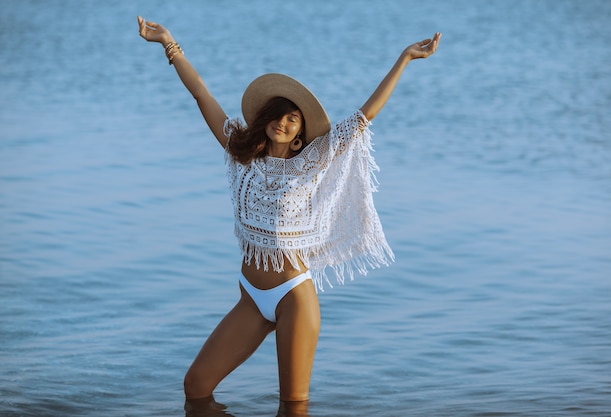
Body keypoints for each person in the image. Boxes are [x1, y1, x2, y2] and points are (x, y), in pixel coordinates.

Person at [137, 15, 440, 413]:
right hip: (251, 299)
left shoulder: (310, 163)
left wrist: (403, 58)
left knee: (292, 407)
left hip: (293, 297)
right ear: (263, 122)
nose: (282, 122)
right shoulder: (239, 153)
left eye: (291, 119)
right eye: (277, 115)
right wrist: (168, 44)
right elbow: (201, 95)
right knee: (196, 386)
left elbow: (363, 117)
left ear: (299, 134)